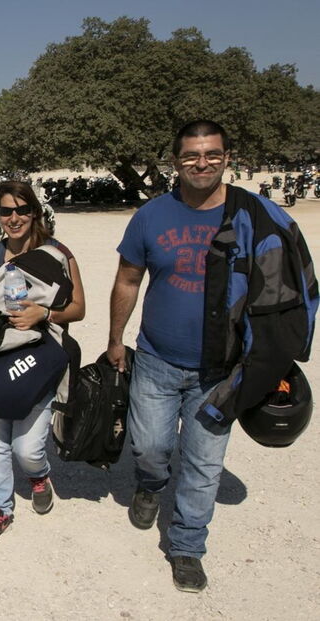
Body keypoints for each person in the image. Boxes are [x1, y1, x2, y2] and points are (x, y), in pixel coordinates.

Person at [107, 120, 316, 593]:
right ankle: (151, 484)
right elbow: (127, 280)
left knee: (204, 467)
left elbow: (292, 286)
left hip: (222, 369)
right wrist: (116, 337)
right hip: (157, 361)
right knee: (151, 447)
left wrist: (277, 352)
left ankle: (187, 548)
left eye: (212, 155)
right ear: (175, 161)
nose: (202, 163)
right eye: (191, 156)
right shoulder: (151, 216)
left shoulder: (258, 215)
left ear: (226, 157)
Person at [0, 181, 85, 544]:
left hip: (39, 358)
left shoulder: (57, 253)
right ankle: (0, 510)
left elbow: (79, 309)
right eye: (6, 211)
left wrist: (45, 313)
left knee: (27, 449)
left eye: (22, 210)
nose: (14, 218)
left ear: (35, 212)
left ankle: (39, 476)